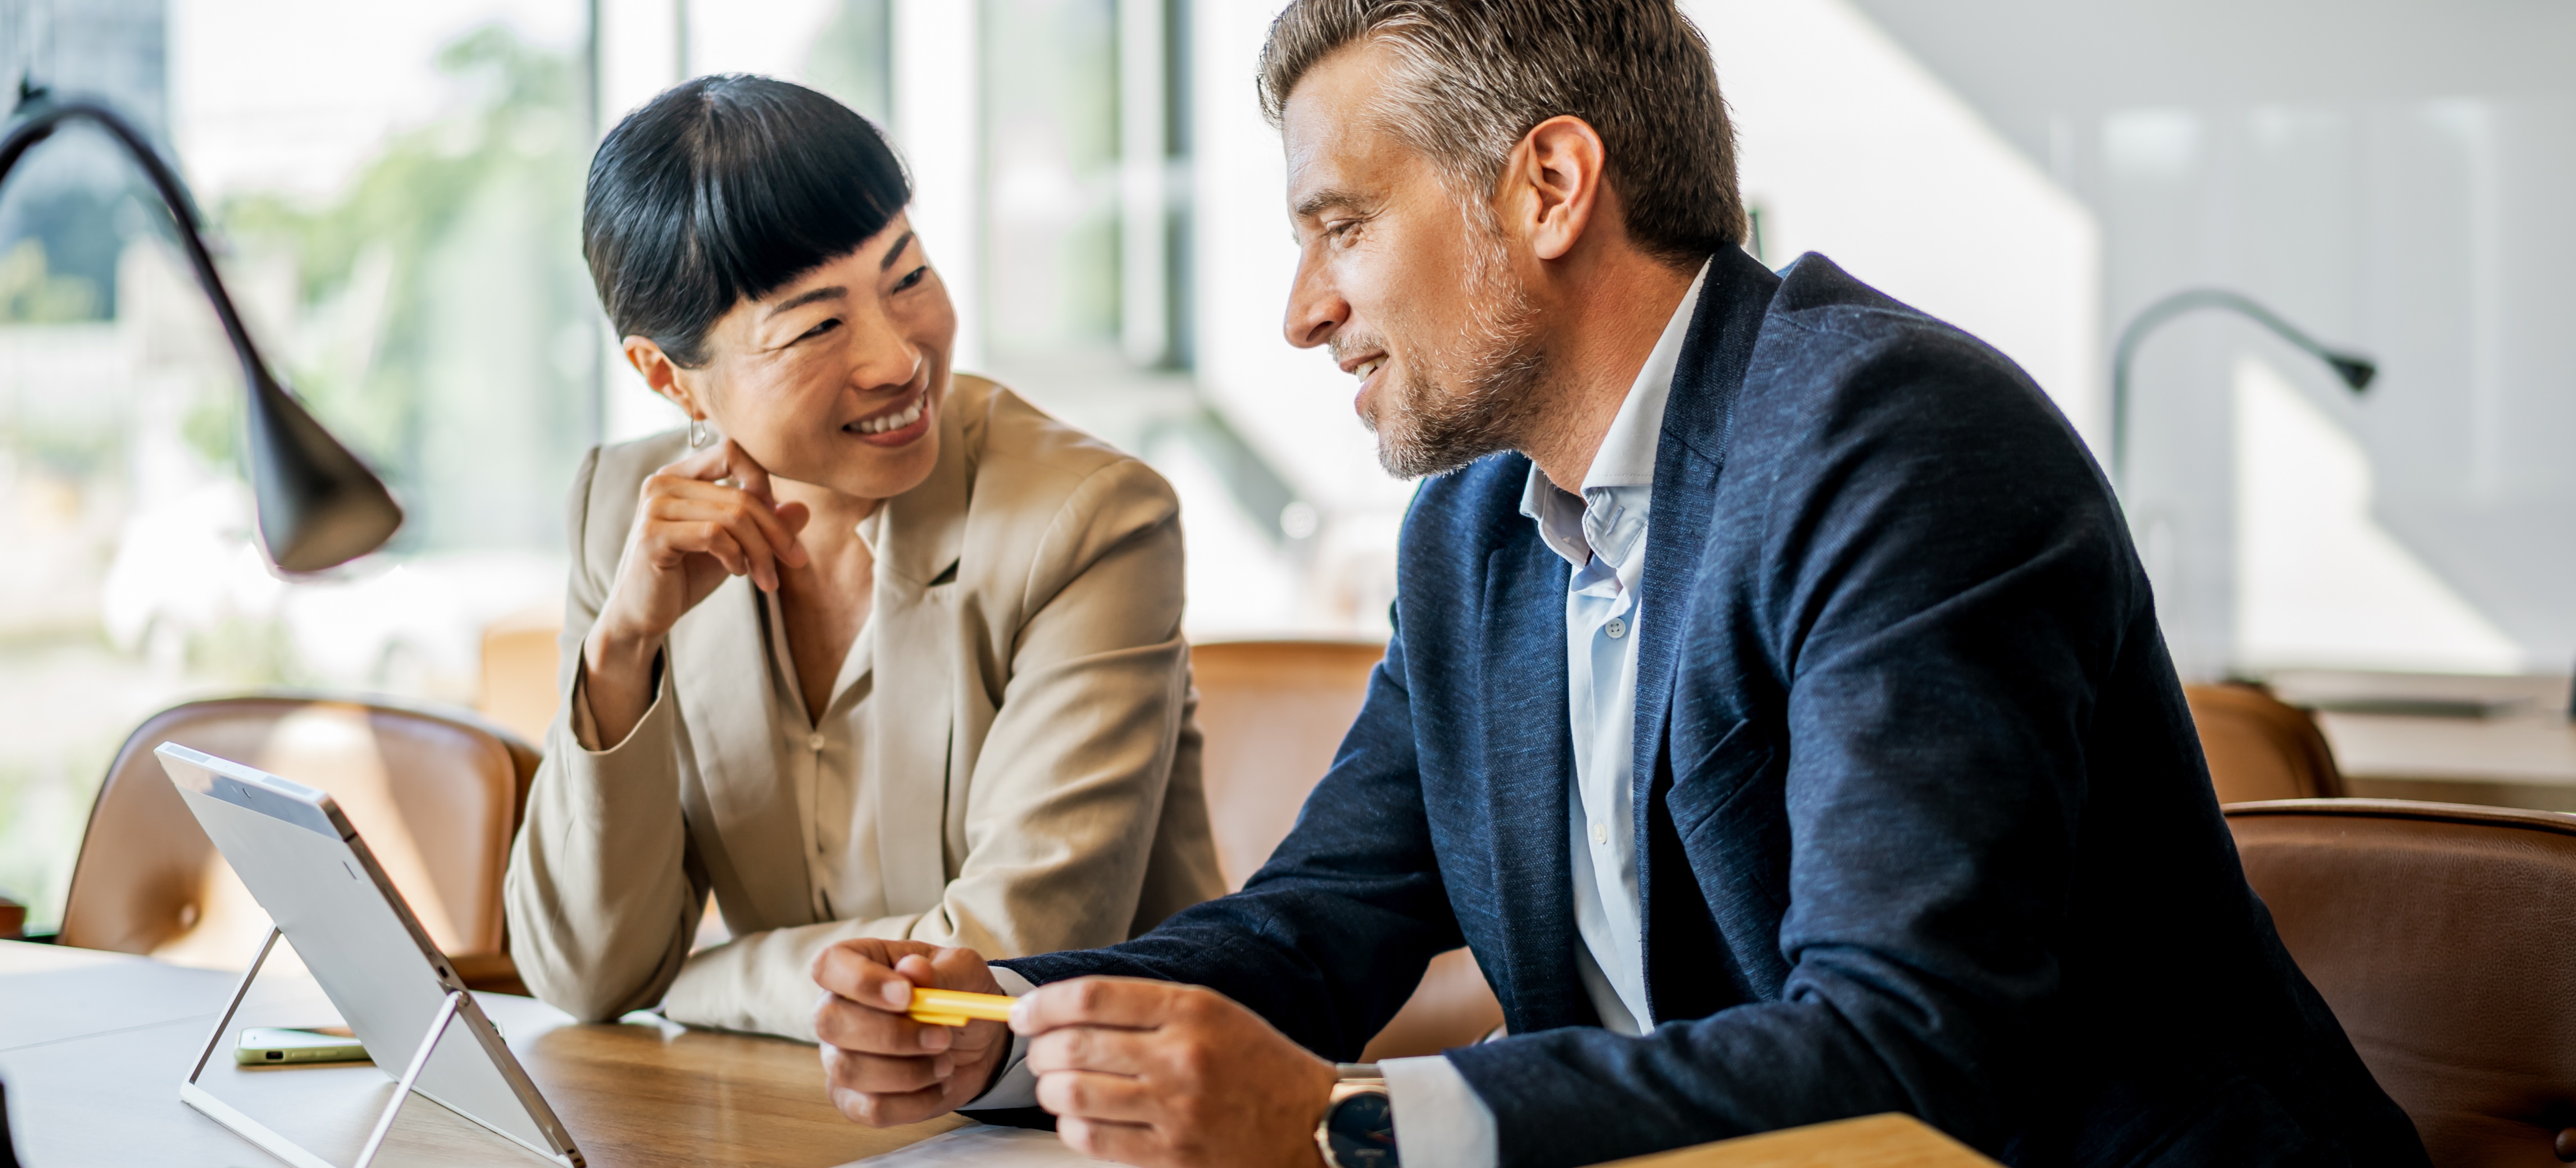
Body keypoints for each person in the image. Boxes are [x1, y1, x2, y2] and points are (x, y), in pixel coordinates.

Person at [803, 3, 2430, 1166]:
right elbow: (1314, 934)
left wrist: (1337, 1120)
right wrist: (1000, 1021)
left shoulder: (1894, 445)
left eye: (1341, 225)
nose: (1302, 310)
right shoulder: (1476, 534)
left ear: (1548, 187)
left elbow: (1908, 1053)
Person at [502, 75, 1224, 1041]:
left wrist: (703, 983)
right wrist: (623, 648)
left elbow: (1002, 964)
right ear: (669, 377)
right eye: (817, 325)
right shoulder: (625, 520)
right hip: (789, 1116)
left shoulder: (1088, 521)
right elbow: (585, 976)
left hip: (1074, 1120)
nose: (898, 359)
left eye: (909, 278)